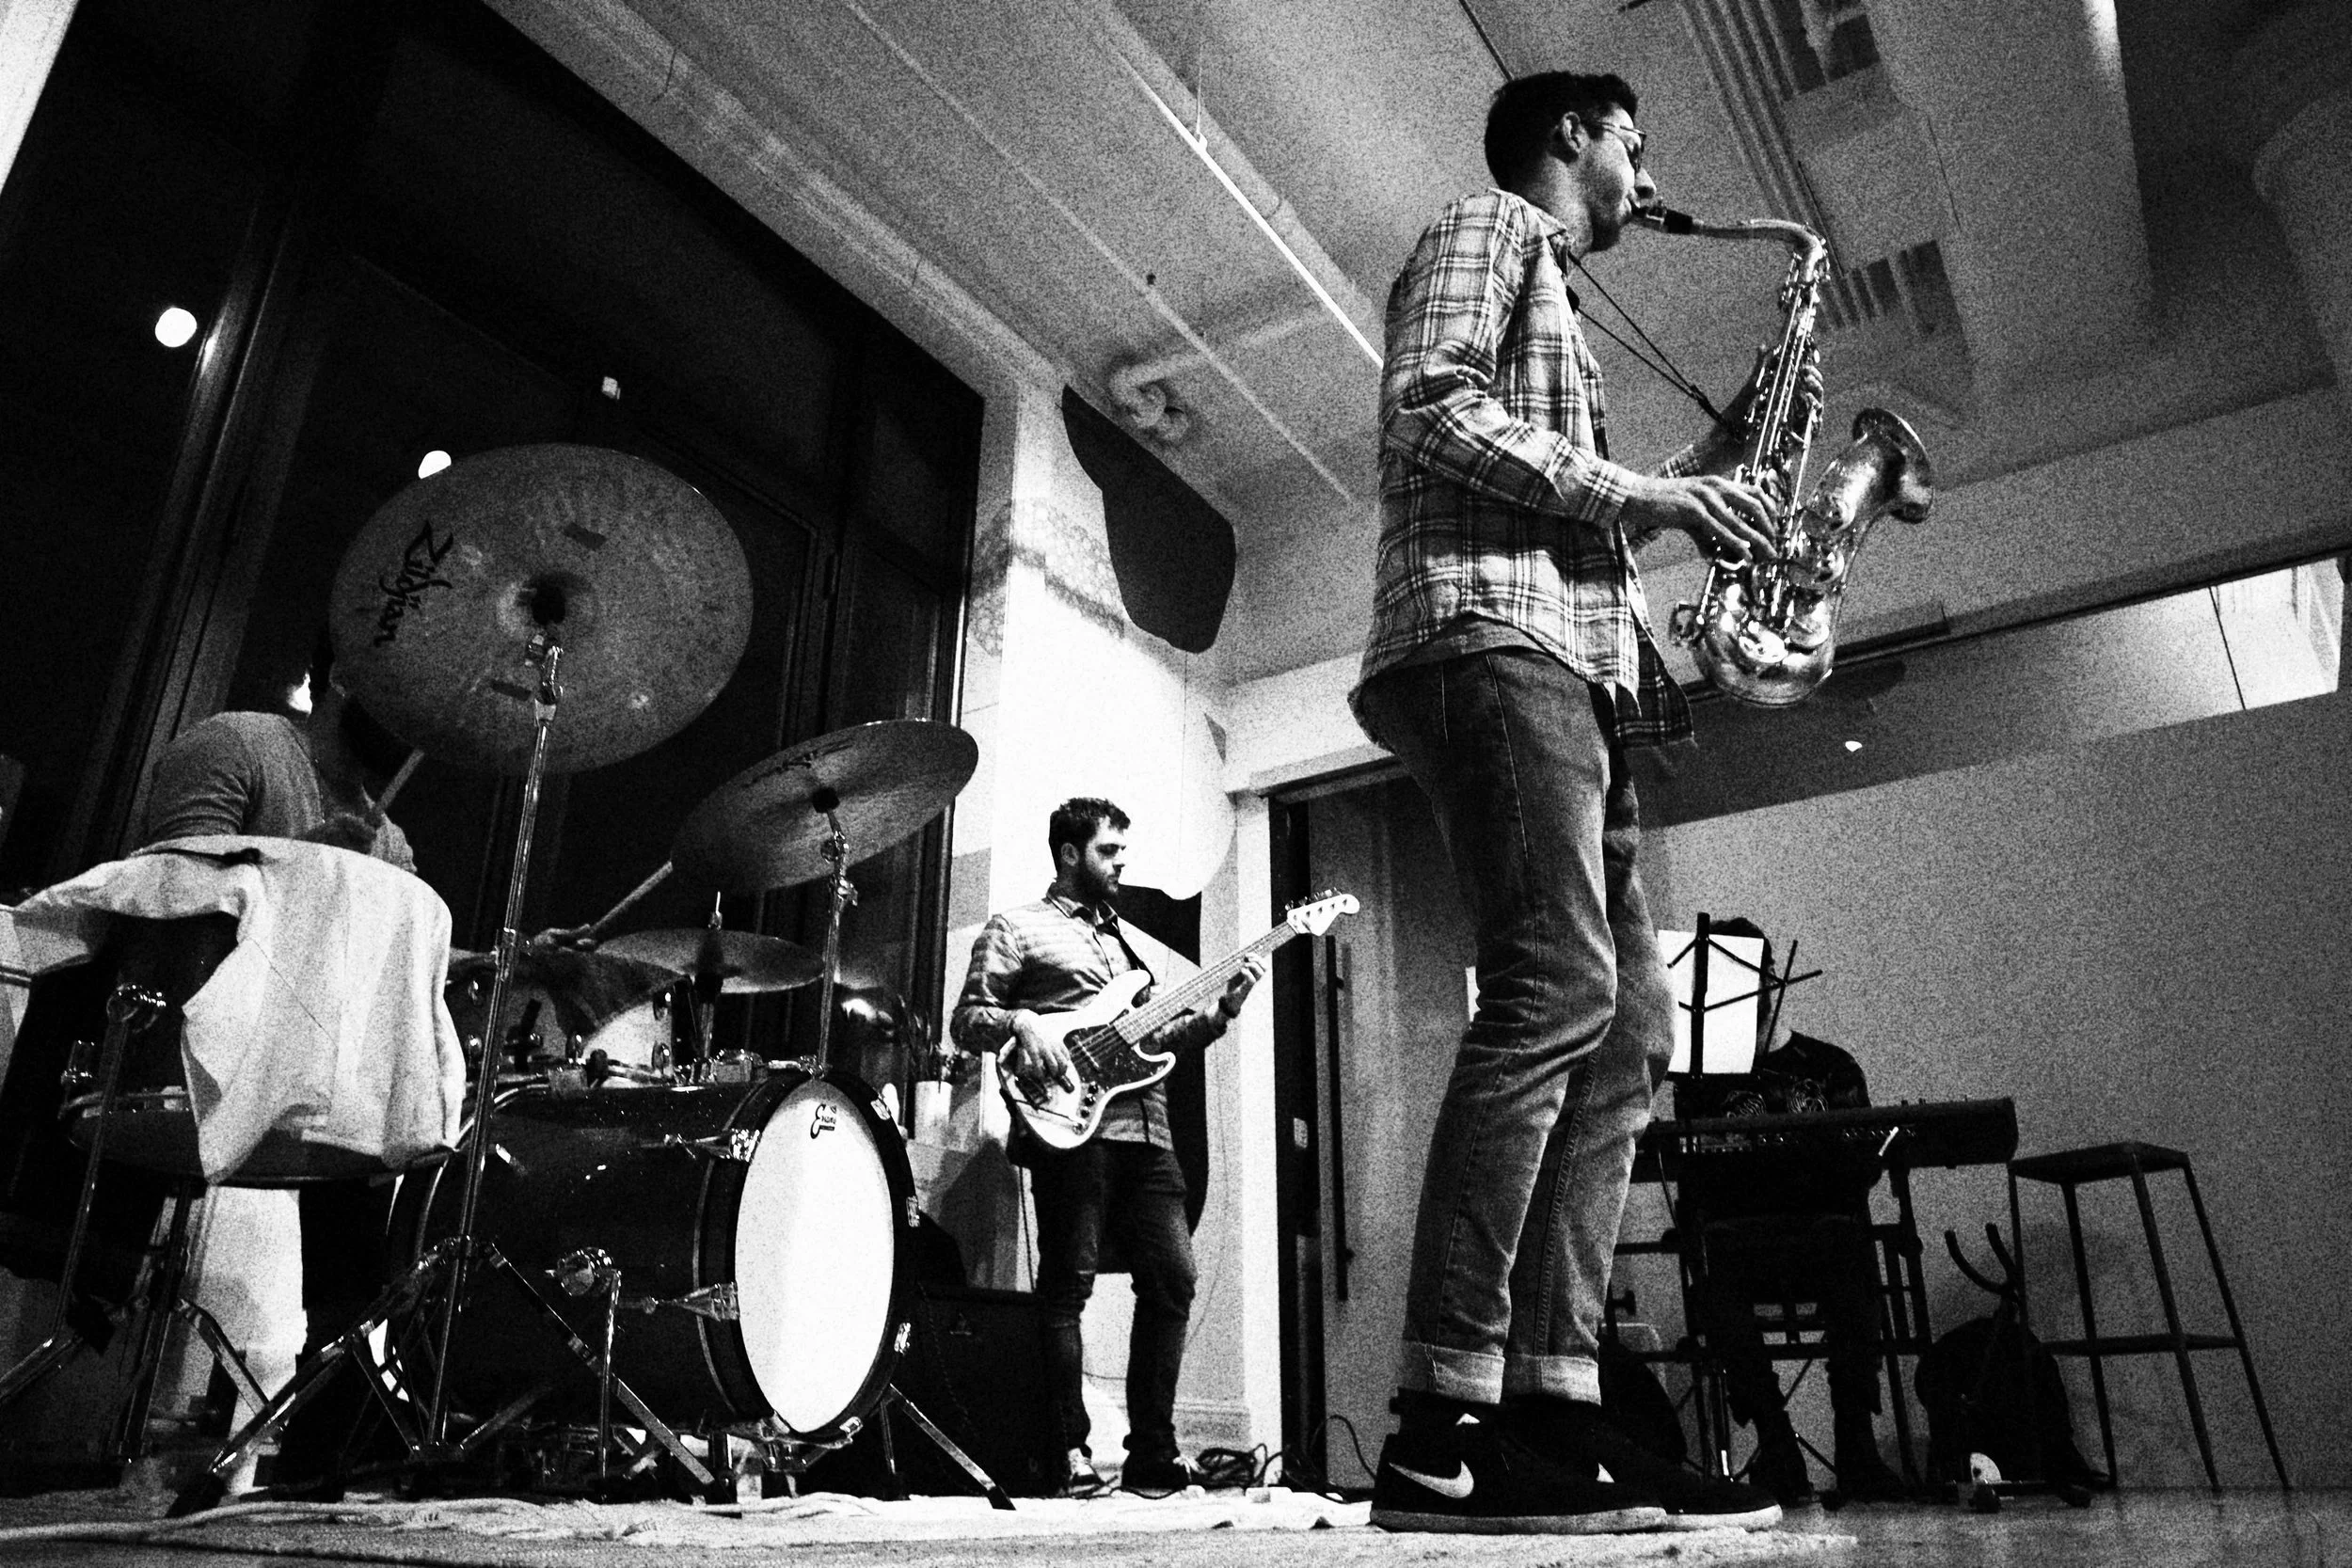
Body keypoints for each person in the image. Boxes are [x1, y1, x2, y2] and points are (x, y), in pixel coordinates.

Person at [1349, 71, 1806, 1534]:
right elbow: (1428, 408)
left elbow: (1581, 506)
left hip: (1573, 666)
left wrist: (1704, 474)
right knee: (1554, 988)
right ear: (1570, 136)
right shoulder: (1487, 226)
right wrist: (1646, 497)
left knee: (1629, 1029)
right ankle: (1439, 1423)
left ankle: (1555, 1406)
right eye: (1633, 143)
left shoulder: (1552, 290)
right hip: (1491, 638)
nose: (1647, 174)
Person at [139, 633, 417, 1493]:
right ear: (343, 677)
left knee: (382, 1123)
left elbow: (383, 975)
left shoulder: (391, 840)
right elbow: (164, 892)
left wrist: (506, 963)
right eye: (405, 691)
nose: (417, 718)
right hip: (187, 1043)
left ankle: (330, 1420)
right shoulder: (241, 744)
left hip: (313, 1076)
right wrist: (297, 865)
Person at [949, 799, 1263, 1496]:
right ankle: (1067, 1450)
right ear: (1070, 854)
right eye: (1109, 850)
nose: (1122, 861)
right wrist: (1021, 1020)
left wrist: (1220, 1013)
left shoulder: (1124, 945)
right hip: (1068, 1128)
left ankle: (1153, 1451)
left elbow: (1154, 1042)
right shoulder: (1017, 927)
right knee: (1068, 1287)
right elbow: (967, 1020)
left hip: (1148, 1131)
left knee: (1173, 1279)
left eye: (1123, 850)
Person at [1674, 921, 1908, 1505]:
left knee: (1848, 1246)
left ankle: (1857, 1448)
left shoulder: (1830, 1066)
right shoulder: (1701, 1084)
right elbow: (1696, 1183)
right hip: (1742, 1251)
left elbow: (1863, 1165)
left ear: (1771, 981)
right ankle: (1777, 1446)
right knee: (1714, 1265)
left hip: (1823, 1243)